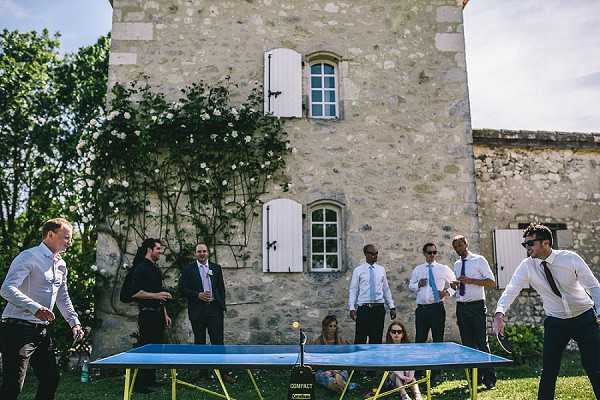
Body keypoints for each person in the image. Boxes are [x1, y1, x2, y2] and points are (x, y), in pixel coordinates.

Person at [493, 224, 600, 399]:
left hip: (584, 318)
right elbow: (511, 290)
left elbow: (594, 286)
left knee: (594, 367)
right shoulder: (526, 266)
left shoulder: (570, 259)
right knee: (549, 370)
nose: (527, 248)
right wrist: (499, 314)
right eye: (525, 244)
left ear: (546, 243)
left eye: (530, 243)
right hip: (555, 321)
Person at [0, 218, 83, 400]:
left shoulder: (61, 265)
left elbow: (62, 297)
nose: (69, 242)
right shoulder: (29, 256)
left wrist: (74, 322)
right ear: (50, 235)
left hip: (41, 331)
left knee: (51, 378)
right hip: (16, 328)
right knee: (12, 386)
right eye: (66, 237)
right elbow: (7, 289)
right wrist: (35, 308)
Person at [178, 243, 234, 383]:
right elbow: (182, 288)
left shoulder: (216, 268)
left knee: (218, 341)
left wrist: (221, 304)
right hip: (197, 310)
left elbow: (221, 288)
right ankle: (202, 373)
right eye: (199, 251)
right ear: (195, 254)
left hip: (214, 310)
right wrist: (197, 295)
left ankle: (223, 373)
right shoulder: (188, 269)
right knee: (200, 342)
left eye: (204, 251)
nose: (202, 253)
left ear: (208, 252)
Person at [451, 235, 497, 389]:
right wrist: (454, 285)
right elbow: (459, 285)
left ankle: (489, 379)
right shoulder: (457, 264)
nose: (458, 249)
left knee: (481, 343)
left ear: (466, 244)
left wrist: (470, 281)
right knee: (467, 345)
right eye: (455, 247)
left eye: (460, 245)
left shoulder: (479, 260)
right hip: (461, 307)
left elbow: (491, 282)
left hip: (476, 306)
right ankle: (474, 379)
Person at [408, 242, 455, 385]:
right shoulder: (418, 269)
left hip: (437, 309)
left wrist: (447, 292)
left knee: (437, 341)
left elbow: (455, 284)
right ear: (424, 253)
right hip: (422, 309)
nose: (432, 255)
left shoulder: (443, 269)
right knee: (419, 341)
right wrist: (418, 285)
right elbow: (411, 285)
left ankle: (436, 374)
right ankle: (419, 372)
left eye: (435, 252)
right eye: (429, 252)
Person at [129, 238, 172, 393]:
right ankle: (140, 385)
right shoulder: (140, 268)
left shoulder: (155, 268)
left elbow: (160, 295)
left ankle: (151, 380)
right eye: (158, 249)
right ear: (149, 249)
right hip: (147, 315)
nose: (160, 252)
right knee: (146, 348)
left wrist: (165, 314)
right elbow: (135, 293)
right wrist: (156, 296)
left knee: (156, 349)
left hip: (158, 315)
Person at [348, 244, 396, 344]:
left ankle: (374, 359)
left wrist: (391, 306)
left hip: (378, 308)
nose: (375, 256)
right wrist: (352, 308)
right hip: (364, 309)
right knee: (360, 339)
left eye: (376, 253)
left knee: (376, 339)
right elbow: (353, 289)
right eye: (372, 254)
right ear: (366, 254)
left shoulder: (381, 270)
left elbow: (386, 289)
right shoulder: (358, 270)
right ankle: (359, 359)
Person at [310, 315, 355, 393]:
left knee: (343, 373)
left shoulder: (341, 340)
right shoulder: (318, 342)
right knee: (321, 376)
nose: (333, 328)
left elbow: (346, 358)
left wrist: (336, 370)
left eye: (334, 326)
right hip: (324, 369)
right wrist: (329, 370)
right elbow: (315, 360)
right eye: (330, 326)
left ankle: (338, 383)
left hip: (339, 368)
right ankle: (341, 385)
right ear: (325, 327)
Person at [384, 321, 422, 400]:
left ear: (403, 334)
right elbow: (390, 367)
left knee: (413, 378)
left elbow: (411, 362)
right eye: (393, 332)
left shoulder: (408, 347)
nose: (396, 334)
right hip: (393, 376)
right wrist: (401, 375)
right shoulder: (386, 348)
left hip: (407, 373)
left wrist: (410, 375)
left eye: (399, 332)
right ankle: (405, 396)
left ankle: (418, 396)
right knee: (398, 377)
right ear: (390, 333)